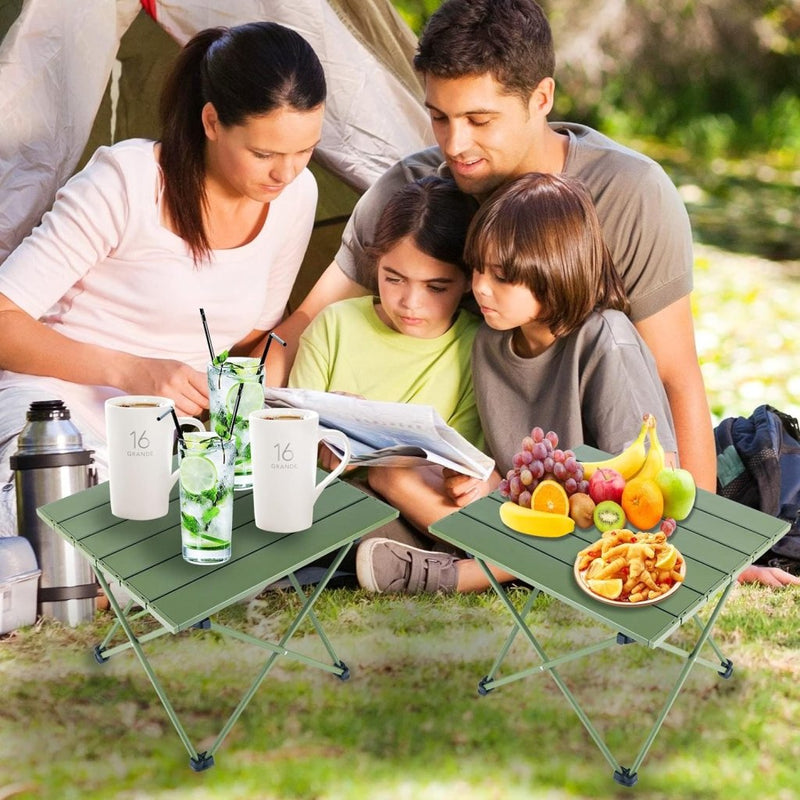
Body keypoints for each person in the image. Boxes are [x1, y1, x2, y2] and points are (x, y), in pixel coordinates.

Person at [268, 0, 715, 497]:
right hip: (462, 469)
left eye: (480, 120)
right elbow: (300, 328)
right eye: (439, 117)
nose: (454, 145)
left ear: (541, 97)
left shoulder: (629, 193)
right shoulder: (412, 190)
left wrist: (705, 551)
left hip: (592, 465)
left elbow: (676, 376)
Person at [0, 21, 326, 537]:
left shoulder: (295, 197)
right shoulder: (127, 182)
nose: (285, 174)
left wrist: (258, 397)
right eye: (264, 154)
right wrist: (132, 372)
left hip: (178, 435)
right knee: (69, 545)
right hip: (59, 415)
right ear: (213, 121)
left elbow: (250, 339)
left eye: (305, 150)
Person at [356, 172, 680, 593]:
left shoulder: (605, 340)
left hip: (594, 526)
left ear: (555, 271)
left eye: (503, 277)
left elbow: (650, 494)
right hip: (519, 516)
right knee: (388, 476)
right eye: (477, 270)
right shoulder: (490, 342)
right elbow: (510, 478)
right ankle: (444, 559)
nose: (481, 289)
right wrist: (479, 480)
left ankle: (459, 577)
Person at [288, 175, 482, 555]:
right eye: (393, 279)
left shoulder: (476, 348)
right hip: (326, 497)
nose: (410, 302)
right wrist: (327, 433)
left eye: (436, 287)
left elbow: (457, 476)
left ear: (469, 281)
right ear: (375, 264)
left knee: (384, 510)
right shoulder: (334, 325)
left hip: (417, 507)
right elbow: (290, 446)